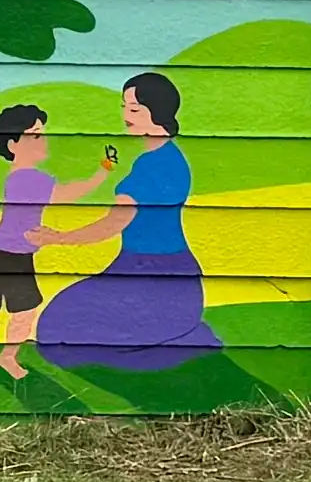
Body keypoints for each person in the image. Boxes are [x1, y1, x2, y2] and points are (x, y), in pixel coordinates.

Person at [34, 71, 222, 370]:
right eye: (124, 106)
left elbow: (114, 223)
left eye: (134, 108)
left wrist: (56, 237)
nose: (125, 115)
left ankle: (174, 343)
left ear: (156, 111)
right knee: (60, 327)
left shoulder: (153, 166)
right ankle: (176, 336)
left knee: (56, 332)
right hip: (166, 280)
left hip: (157, 279)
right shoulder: (171, 157)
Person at [0, 108, 118, 379]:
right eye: (34, 135)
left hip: (15, 256)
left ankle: (5, 355)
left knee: (22, 311)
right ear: (13, 144)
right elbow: (66, 194)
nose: (42, 141)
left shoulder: (26, 176)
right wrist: (102, 173)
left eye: (41, 134)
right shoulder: (27, 178)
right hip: (2, 257)